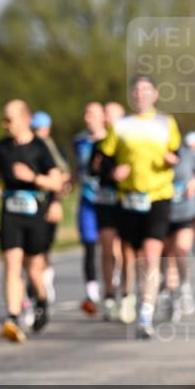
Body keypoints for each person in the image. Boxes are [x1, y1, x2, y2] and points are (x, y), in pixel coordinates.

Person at [98, 75, 181, 339]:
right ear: (131, 96)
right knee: (129, 256)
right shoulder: (121, 126)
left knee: (151, 254)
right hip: (128, 199)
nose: (141, 94)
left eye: (146, 89)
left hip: (158, 196)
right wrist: (113, 173)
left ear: (155, 94)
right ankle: (129, 295)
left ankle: (146, 313)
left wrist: (172, 161)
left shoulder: (166, 123)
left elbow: (177, 155)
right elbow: (103, 162)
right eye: (136, 90)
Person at [0, 100, 65, 342]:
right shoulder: (1, 148)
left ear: (25, 119)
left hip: (36, 214)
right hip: (10, 212)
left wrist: (33, 177)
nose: (4, 125)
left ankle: (41, 299)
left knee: (34, 269)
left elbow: (56, 183)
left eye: (9, 120)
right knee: (12, 264)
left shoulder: (40, 148)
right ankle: (12, 317)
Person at [165, 130, 195, 323]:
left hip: (185, 211)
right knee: (168, 257)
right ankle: (173, 296)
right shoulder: (152, 155)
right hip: (163, 211)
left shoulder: (189, 155)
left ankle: (184, 287)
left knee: (181, 250)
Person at [90, 102, 127, 320]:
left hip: (126, 199)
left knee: (124, 250)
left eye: (111, 116)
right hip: (105, 200)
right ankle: (109, 294)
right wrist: (98, 168)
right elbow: (92, 172)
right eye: (105, 115)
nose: (106, 119)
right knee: (106, 248)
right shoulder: (100, 144)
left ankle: (126, 291)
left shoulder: (129, 142)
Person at [30, 110, 70, 307]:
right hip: (30, 206)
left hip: (49, 203)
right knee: (29, 252)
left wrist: (56, 202)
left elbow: (64, 179)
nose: (38, 133)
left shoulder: (56, 151)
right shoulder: (29, 148)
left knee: (43, 247)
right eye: (35, 129)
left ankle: (44, 280)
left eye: (41, 129)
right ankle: (35, 286)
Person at [72, 102, 106, 314]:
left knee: (112, 247)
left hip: (109, 200)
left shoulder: (112, 140)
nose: (88, 118)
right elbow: (78, 167)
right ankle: (91, 294)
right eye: (86, 114)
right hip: (87, 199)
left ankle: (114, 287)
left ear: (103, 116)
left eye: (92, 114)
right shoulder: (79, 141)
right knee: (89, 245)